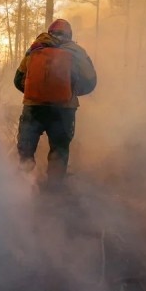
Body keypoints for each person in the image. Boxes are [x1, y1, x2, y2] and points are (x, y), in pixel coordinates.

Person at [14, 18, 97, 183]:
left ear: (49, 32)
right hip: (64, 109)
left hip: (33, 108)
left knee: (26, 148)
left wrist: (35, 93)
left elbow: (18, 80)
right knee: (59, 150)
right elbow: (91, 81)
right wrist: (72, 92)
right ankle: (54, 191)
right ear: (70, 35)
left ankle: (24, 185)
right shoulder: (76, 51)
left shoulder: (35, 48)